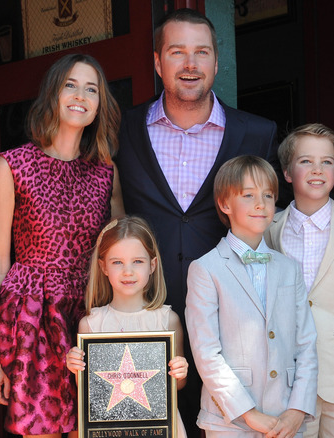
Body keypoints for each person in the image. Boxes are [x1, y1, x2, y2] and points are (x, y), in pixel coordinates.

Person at [114, 10, 282, 433]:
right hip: (146, 317)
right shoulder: (121, 130)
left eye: (201, 52)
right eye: (177, 52)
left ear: (216, 62)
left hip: (233, 330)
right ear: (157, 62)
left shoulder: (257, 134)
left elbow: (277, 220)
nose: (190, 64)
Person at [0, 53, 124, 437]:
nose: (81, 95)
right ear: (53, 93)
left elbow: (119, 257)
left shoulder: (106, 173)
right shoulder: (11, 165)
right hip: (31, 321)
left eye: (91, 89)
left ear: (100, 105)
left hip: (89, 317)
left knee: (96, 428)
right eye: (71, 85)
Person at [185, 155, 317, 437]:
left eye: (268, 195)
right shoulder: (205, 269)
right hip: (229, 420)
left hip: (287, 418)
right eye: (248, 195)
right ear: (224, 204)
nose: (261, 204)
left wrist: (297, 410)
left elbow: (306, 343)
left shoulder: (289, 268)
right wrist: (248, 413)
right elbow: (207, 353)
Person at [263, 124, 334, 438]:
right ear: (288, 173)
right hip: (285, 380)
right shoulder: (267, 229)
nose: (318, 170)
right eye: (306, 161)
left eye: (327, 162)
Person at [66, 216, 189, 438]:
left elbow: (177, 386)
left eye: (138, 262)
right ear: (103, 267)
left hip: (158, 427)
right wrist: (75, 365)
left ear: (152, 265)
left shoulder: (166, 320)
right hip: (109, 430)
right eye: (117, 262)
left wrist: (180, 370)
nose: (128, 271)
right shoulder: (92, 324)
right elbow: (90, 390)